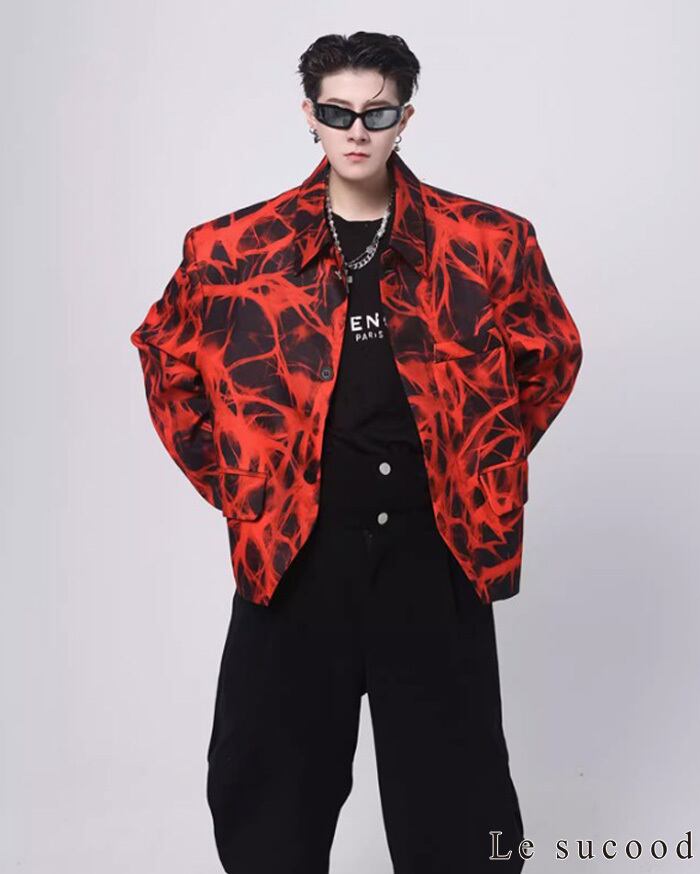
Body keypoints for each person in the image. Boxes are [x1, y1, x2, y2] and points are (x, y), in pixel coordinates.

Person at [130, 30, 583, 874]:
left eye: (376, 112)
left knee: (458, 800)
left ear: (405, 117)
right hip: (295, 553)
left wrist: (475, 460)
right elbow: (166, 356)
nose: (356, 131)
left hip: (436, 550)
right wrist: (245, 484)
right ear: (309, 115)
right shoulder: (234, 249)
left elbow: (550, 355)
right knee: (265, 787)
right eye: (337, 112)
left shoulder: (487, 242)